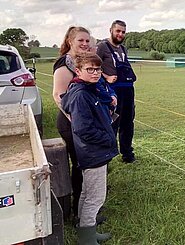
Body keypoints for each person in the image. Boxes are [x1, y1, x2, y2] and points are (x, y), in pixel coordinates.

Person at [61, 53, 118, 244]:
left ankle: (86, 228)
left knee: (86, 192)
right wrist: (107, 139)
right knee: (96, 197)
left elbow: (102, 103)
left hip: (93, 151)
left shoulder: (90, 89)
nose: (95, 73)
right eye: (90, 69)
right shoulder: (81, 95)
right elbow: (83, 129)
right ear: (78, 71)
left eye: (98, 69)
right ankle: (86, 239)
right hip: (93, 152)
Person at [53, 26, 90, 220]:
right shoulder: (64, 63)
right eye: (80, 41)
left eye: (87, 41)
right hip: (71, 125)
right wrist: (77, 122)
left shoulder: (78, 61)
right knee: (79, 166)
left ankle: (84, 211)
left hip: (81, 123)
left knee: (84, 166)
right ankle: (79, 214)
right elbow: (59, 96)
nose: (85, 44)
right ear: (70, 41)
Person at [97, 20, 137, 163]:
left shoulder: (123, 49)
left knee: (128, 122)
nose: (120, 34)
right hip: (113, 91)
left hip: (128, 90)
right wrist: (106, 77)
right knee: (112, 122)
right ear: (111, 30)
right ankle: (108, 155)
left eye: (123, 32)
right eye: (118, 31)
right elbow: (91, 66)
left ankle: (127, 153)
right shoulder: (102, 47)